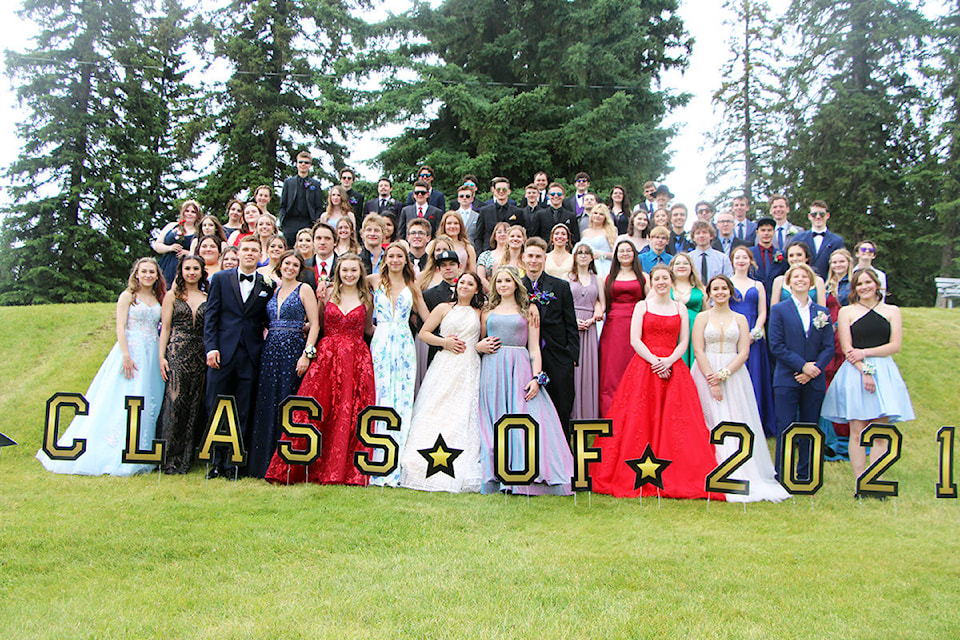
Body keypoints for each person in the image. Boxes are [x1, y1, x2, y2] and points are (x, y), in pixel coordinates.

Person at [590, 265, 725, 500]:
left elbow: (684, 342)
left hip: (673, 367)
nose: (661, 282)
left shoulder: (680, 308)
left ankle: (676, 471)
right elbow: (635, 339)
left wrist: (670, 361)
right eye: (657, 278)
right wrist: (655, 361)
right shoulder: (642, 306)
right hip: (645, 366)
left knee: (677, 420)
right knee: (639, 418)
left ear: (671, 282)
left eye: (665, 278)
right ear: (650, 282)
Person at [38, 258, 166, 476]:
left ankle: (141, 448)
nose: (147, 275)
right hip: (132, 350)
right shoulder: (128, 297)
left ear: (157, 275)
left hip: (152, 351)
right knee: (126, 396)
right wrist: (126, 354)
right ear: (136, 274)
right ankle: (115, 448)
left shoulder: (158, 297)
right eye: (143, 271)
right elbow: (121, 325)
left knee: (148, 398)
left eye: (151, 272)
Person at [264, 254, 375, 485]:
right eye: (345, 270)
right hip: (327, 355)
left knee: (349, 412)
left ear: (360, 273)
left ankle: (339, 469)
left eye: (354, 270)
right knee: (314, 407)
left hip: (356, 358)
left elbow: (368, 329)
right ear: (338, 271)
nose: (349, 274)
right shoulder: (325, 295)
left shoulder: (367, 299)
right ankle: (298, 466)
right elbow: (318, 325)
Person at [691, 276, 790, 502]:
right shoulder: (702, 317)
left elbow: (744, 352)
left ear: (730, 291)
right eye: (715, 288)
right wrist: (712, 380)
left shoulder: (741, 319)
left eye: (724, 288)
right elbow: (698, 349)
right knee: (708, 418)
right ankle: (709, 468)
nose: (720, 292)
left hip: (733, 374)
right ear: (709, 292)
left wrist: (724, 375)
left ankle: (738, 469)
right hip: (705, 371)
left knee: (735, 417)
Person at [476, 265, 574, 495]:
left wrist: (536, 378)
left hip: (519, 366)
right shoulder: (487, 311)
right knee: (493, 419)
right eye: (499, 281)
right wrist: (478, 347)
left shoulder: (529, 310)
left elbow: (534, 349)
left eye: (507, 281)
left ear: (515, 284)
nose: (503, 285)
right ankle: (497, 475)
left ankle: (524, 473)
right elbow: (479, 340)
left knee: (523, 418)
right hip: (492, 368)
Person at [820, 268, 914, 488]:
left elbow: (895, 345)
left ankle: (876, 478)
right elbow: (847, 346)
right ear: (854, 289)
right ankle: (860, 478)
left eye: (868, 283)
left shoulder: (892, 310)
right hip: (854, 371)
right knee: (858, 428)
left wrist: (867, 353)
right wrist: (863, 368)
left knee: (880, 430)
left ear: (877, 285)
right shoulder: (847, 312)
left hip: (883, 370)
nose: (864, 287)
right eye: (859, 284)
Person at [399, 272, 485, 493]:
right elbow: (424, 333)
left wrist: (478, 347)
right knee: (436, 406)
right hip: (444, 364)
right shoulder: (443, 308)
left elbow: (482, 338)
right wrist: (444, 342)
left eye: (470, 283)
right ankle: (420, 459)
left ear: (476, 289)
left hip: (469, 366)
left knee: (463, 409)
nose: (464, 286)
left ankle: (458, 458)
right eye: (462, 282)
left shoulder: (480, 312)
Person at [203, 235, 274, 479]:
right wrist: (211, 347)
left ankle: (234, 463)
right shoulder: (221, 279)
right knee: (216, 406)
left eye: (255, 250)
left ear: (260, 254)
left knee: (242, 408)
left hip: (251, 354)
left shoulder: (267, 285)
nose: (250, 254)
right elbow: (211, 316)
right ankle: (215, 461)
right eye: (246, 249)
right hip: (222, 353)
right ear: (238, 252)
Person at [247, 251, 320, 478]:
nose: (290, 267)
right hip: (270, 350)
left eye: (295, 265)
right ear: (280, 264)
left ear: (300, 269)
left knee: (287, 400)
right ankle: (263, 462)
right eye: (287, 263)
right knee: (268, 400)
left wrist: (306, 354)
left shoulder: (304, 289)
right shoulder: (273, 289)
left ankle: (285, 462)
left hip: (294, 348)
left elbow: (315, 324)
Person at [366, 243, 429, 487]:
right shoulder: (372, 281)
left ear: (406, 260)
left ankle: (398, 457)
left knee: (402, 396)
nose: (394, 259)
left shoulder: (413, 287)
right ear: (385, 258)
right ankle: (376, 455)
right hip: (380, 341)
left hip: (404, 342)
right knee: (380, 393)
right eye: (390, 255)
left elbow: (427, 318)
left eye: (399, 256)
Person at [768, 263, 835, 480]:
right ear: (789, 282)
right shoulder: (779, 310)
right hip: (787, 378)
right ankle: (783, 474)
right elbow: (776, 345)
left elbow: (829, 347)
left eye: (805, 277)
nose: (800, 280)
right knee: (785, 426)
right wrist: (801, 366)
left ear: (811, 282)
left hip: (814, 379)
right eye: (796, 276)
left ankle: (806, 474)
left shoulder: (822, 312)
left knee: (810, 426)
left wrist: (813, 369)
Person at [521, 238, 580, 438]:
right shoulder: (516, 287)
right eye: (530, 256)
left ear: (544, 259)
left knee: (562, 404)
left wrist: (572, 355)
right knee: (529, 403)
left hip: (558, 355)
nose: (534, 260)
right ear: (523, 258)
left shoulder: (560, 286)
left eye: (538, 256)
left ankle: (563, 452)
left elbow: (570, 323)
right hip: (526, 356)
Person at [156, 255, 208, 475]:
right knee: (175, 403)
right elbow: (165, 328)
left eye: (196, 268)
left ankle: (187, 458)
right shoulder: (172, 296)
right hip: (177, 351)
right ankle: (169, 457)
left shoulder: (208, 296)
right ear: (181, 271)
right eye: (187, 268)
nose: (191, 272)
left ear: (201, 271)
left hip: (200, 352)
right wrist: (162, 356)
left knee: (195, 403)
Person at [728, 245, 776, 436]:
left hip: (753, 338)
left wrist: (755, 332)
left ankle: (756, 421)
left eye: (744, 258)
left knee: (754, 376)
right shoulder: (727, 283)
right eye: (737, 257)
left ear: (750, 261)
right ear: (732, 261)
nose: (741, 261)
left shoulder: (758, 285)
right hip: (732, 334)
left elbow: (763, 311)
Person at [598, 240, 648, 417]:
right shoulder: (607, 277)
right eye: (621, 251)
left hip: (637, 325)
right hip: (614, 326)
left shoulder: (644, 277)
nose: (625, 253)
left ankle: (636, 413)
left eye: (628, 250)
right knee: (612, 370)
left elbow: (649, 303)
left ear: (634, 254)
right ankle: (610, 413)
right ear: (616, 255)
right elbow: (601, 303)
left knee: (634, 368)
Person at [821, 247, 855, 460]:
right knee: (828, 381)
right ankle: (831, 432)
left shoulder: (854, 284)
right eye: (834, 262)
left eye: (841, 262)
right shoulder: (825, 285)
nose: (837, 265)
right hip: (830, 335)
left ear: (848, 263)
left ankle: (848, 434)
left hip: (848, 334)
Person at [567, 243, 604, 420]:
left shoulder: (598, 279)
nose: (583, 256)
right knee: (573, 369)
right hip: (572, 325)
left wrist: (596, 315)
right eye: (579, 253)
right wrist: (573, 321)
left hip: (589, 327)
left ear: (591, 257)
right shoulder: (568, 278)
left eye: (586, 253)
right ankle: (573, 414)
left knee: (589, 368)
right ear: (574, 257)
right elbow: (563, 304)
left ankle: (588, 415)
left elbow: (602, 303)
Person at [277, 150, 324, 246]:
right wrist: (282, 220)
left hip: (308, 223)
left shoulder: (315, 184)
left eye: (306, 162)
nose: (303, 164)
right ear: (296, 164)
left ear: (310, 165)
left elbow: (319, 206)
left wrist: (315, 222)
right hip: (290, 223)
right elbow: (283, 204)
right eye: (300, 162)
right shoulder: (288, 182)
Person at [793, 200, 845, 280]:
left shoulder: (837, 240)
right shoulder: (798, 238)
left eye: (822, 214)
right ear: (809, 216)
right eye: (814, 214)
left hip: (829, 284)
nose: (818, 217)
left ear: (827, 216)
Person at [669, 252, 705, 367]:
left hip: (694, 331)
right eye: (678, 263)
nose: (681, 266)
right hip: (672, 331)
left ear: (691, 267)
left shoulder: (700, 289)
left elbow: (706, 313)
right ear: (672, 268)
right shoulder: (665, 287)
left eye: (685, 263)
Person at [153, 200, 199, 287]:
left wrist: (189, 253)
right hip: (167, 264)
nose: (189, 214)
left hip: (185, 266)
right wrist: (170, 248)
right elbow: (157, 246)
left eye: (193, 212)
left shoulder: (198, 232)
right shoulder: (171, 226)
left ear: (197, 215)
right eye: (187, 211)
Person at [771, 241, 827, 306]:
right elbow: (774, 310)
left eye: (799, 255)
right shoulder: (779, 281)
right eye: (791, 255)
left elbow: (822, 309)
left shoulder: (818, 281)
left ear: (806, 258)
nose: (795, 259)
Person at [749, 216, 788, 307]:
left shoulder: (782, 255)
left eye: (769, 230)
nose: (766, 233)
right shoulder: (749, 253)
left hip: (775, 300)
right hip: (754, 299)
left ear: (774, 232)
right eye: (763, 230)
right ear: (757, 232)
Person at [476, 177, 522, 252]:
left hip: (511, 251)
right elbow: (479, 236)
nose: (501, 191)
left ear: (509, 191)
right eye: (498, 189)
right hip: (488, 251)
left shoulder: (518, 212)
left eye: (504, 189)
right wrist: (480, 254)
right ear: (494, 191)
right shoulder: (484, 211)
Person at [688, 220, 733, 284]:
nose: (701, 235)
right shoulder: (688, 259)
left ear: (711, 236)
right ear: (693, 238)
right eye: (698, 233)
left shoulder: (723, 258)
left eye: (705, 232)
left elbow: (729, 280)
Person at [580, 203, 617, 281]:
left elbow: (616, 254)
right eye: (595, 213)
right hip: (587, 267)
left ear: (605, 217)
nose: (597, 216)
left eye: (601, 214)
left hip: (604, 267)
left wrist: (601, 255)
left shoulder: (610, 232)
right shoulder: (585, 232)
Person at [301, 222, 338, 293]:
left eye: (327, 238)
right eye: (318, 238)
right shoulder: (303, 266)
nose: (322, 242)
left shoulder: (342, 265)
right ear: (313, 241)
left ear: (335, 242)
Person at [476, 222, 510, 290]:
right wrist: (493, 292)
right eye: (499, 232)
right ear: (494, 236)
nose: (503, 234)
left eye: (506, 232)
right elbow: (481, 277)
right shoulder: (485, 255)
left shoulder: (514, 255)